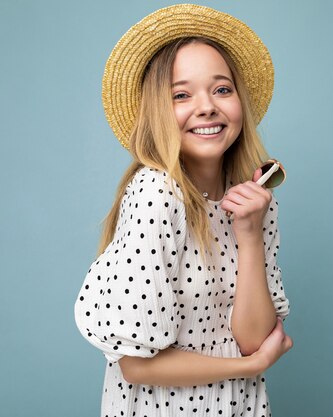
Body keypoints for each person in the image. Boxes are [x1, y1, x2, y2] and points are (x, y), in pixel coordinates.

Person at [74, 4, 293, 416]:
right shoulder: (157, 193)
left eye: (222, 89)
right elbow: (136, 366)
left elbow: (253, 336)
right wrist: (251, 366)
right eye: (181, 94)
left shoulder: (254, 200)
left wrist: (249, 235)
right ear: (158, 111)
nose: (207, 106)